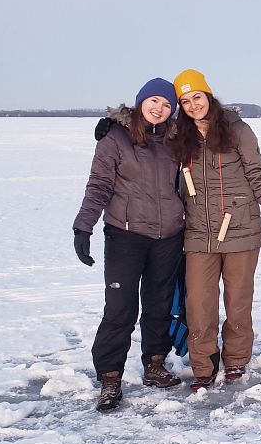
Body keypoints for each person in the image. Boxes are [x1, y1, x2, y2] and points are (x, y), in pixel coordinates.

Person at [73, 78, 185, 412]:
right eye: (153, 101)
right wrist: (83, 226)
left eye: (166, 105)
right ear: (140, 103)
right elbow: (99, 185)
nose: (159, 109)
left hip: (168, 236)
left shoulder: (176, 141)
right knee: (120, 307)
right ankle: (110, 377)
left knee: (159, 303)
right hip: (126, 235)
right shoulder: (115, 138)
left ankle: (154, 364)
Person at [172, 69, 261, 391]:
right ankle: (203, 365)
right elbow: (145, 132)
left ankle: (235, 359)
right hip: (197, 232)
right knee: (199, 304)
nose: (193, 105)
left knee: (238, 301)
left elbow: (256, 174)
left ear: (208, 95)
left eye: (197, 97)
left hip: (240, 229)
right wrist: (117, 123)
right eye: (185, 101)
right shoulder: (178, 135)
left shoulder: (238, 130)